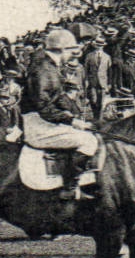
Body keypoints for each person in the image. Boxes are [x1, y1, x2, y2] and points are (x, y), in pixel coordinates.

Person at [19, 28, 99, 201]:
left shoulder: (50, 66)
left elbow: (59, 96)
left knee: (88, 133)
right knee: (88, 141)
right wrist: (71, 120)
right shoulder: (42, 69)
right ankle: (70, 186)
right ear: (61, 49)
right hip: (38, 124)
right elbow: (44, 106)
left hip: (44, 120)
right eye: (71, 51)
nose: (73, 55)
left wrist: (78, 115)